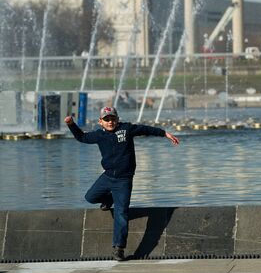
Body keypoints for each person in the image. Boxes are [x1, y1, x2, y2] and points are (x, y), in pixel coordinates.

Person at [64, 107, 180, 261]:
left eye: (112, 119)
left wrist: (164, 133)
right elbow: (82, 138)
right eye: (106, 119)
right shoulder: (99, 135)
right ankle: (108, 199)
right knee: (90, 197)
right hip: (107, 177)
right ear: (100, 122)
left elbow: (145, 129)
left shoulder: (126, 129)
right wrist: (71, 124)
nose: (110, 122)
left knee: (121, 213)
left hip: (124, 180)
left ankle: (118, 248)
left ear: (117, 119)